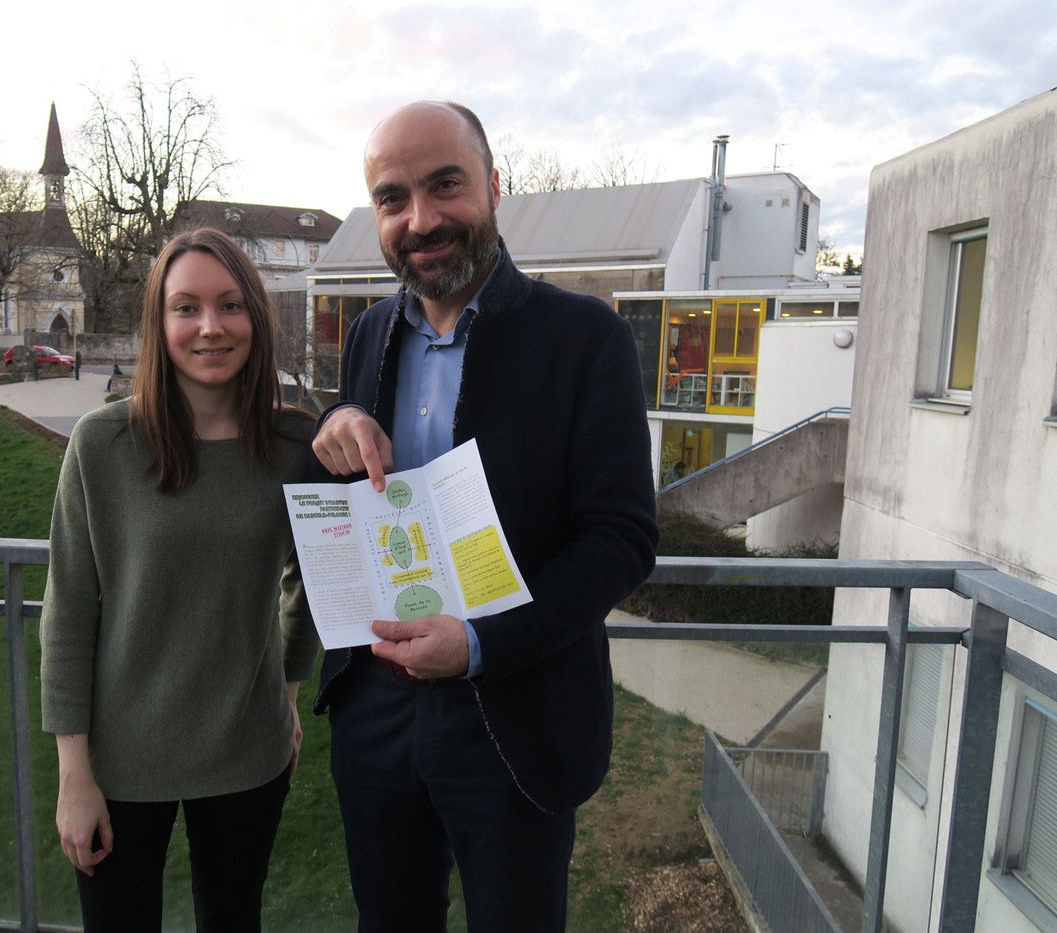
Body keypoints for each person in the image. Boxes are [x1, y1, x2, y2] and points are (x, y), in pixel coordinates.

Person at [308, 101, 658, 931]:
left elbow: (622, 538)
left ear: (495, 187)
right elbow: (345, 481)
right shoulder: (368, 335)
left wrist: (478, 643)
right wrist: (330, 425)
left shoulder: (585, 337)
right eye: (393, 199)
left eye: (445, 186)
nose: (421, 220)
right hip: (378, 706)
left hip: (514, 708)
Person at [40, 227, 318, 931]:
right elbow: (69, 611)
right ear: (158, 323)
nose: (210, 327)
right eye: (185, 307)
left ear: (254, 316)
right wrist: (75, 772)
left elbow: (311, 579)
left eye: (229, 305)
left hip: (248, 753)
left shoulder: (293, 446)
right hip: (120, 762)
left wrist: (285, 689)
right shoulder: (102, 445)